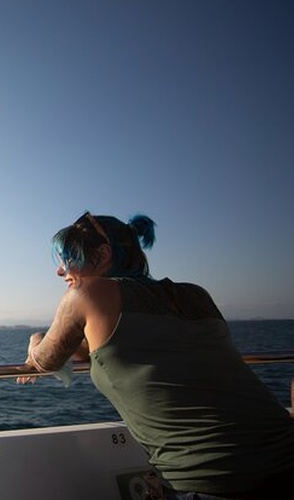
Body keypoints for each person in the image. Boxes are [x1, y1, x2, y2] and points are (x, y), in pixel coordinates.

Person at [17, 211, 294, 499]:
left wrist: (35, 340)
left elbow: (45, 359)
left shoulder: (87, 295)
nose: (61, 271)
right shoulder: (196, 294)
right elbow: (126, 342)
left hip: (214, 483)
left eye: (69, 257)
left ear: (102, 255)